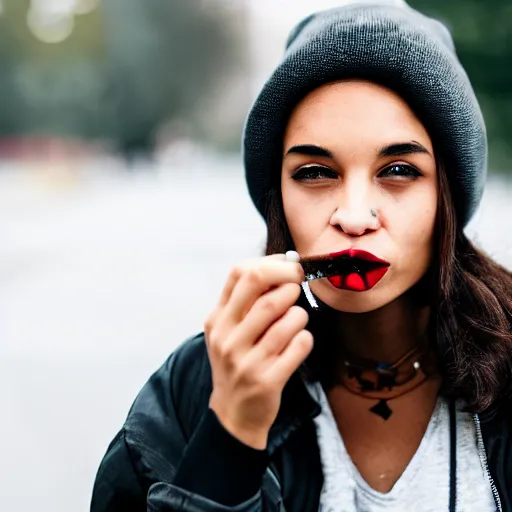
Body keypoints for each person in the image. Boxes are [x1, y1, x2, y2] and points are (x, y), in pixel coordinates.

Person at [90, 1, 512, 511]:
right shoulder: (191, 390)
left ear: (446, 195)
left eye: (398, 170)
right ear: (279, 201)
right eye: (315, 172)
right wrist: (231, 432)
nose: (354, 217)